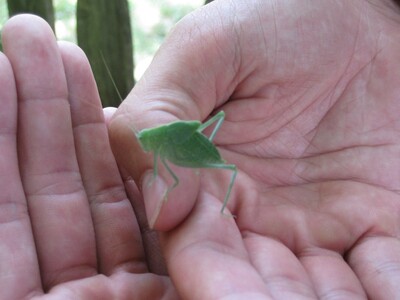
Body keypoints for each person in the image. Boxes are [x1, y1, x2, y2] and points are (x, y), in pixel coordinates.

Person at [1, 0, 400, 298]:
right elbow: (160, 165)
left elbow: (174, 159)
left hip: (194, 149)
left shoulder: (164, 144)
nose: (143, 141)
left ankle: (219, 203)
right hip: (186, 151)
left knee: (187, 177)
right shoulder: (150, 140)